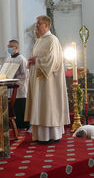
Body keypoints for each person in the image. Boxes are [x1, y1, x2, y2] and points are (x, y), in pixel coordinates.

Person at [24, 15, 70, 144]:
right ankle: (40, 136)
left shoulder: (52, 40)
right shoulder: (39, 40)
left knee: (48, 107)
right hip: (38, 80)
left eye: (39, 23)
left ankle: (52, 135)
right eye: (36, 23)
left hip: (49, 81)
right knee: (40, 107)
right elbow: (36, 58)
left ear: (47, 25)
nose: (36, 26)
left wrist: (36, 61)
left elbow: (52, 60)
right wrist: (32, 61)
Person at [5, 40, 29, 129]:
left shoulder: (21, 59)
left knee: (20, 108)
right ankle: (13, 125)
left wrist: (17, 81)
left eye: (11, 46)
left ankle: (22, 125)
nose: (9, 48)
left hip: (19, 88)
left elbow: (25, 74)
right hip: (10, 87)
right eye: (8, 46)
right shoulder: (8, 58)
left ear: (16, 48)